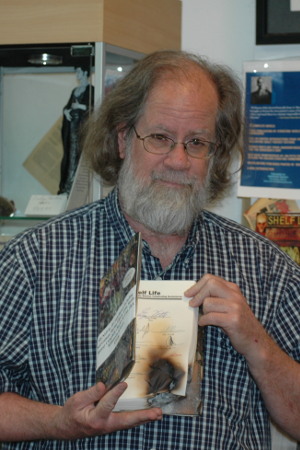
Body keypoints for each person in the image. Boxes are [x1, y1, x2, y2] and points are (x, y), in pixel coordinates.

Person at [0, 50, 299, 449]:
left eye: (197, 142)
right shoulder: (33, 260)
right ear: (123, 139)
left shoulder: (266, 268)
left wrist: (257, 343)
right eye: (159, 138)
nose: (178, 160)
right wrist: (59, 422)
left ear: (215, 154)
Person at [58, 65, 94, 195]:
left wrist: (80, 106)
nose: (77, 75)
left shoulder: (91, 90)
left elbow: (93, 108)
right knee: (70, 155)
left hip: (82, 129)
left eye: (79, 72)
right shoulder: (75, 90)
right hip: (72, 127)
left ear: (85, 72)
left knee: (80, 155)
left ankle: (78, 188)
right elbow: (67, 106)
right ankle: (67, 186)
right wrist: (66, 111)